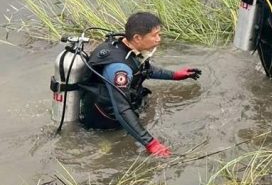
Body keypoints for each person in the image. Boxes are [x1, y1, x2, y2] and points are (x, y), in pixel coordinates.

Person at [79, 12, 202, 157]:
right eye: (154, 35)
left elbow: (142, 69)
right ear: (137, 38)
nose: (159, 39)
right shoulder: (119, 69)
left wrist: (175, 75)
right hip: (105, 124)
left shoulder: (125, 46)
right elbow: (122, 110)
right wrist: (151, 143)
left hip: (117, 106)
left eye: (159, 34)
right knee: (114, 148)